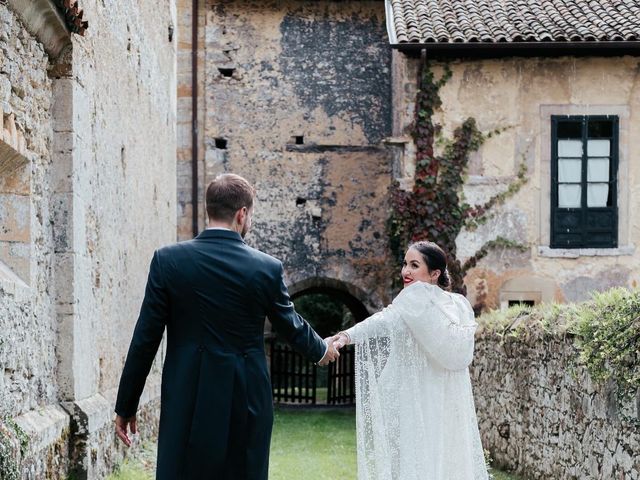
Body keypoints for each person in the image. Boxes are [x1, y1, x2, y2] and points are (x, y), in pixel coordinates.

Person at [114, 173, 339, 479]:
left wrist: (126, 404)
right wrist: (321, 349)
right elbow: (290, 324)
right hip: (245, 394)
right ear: (241, 214)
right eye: (251, 215)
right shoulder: (266, 267)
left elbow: (145, 338)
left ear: (210, 209)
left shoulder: (167, 261)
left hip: (186, 393)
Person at [332, 241, 488, 480]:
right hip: (448, 401)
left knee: (416, 461)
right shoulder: (460, 305)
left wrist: (346, 335)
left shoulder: (414, 298)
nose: (405, 271)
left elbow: (383, 320)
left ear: (434, 273)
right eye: (405, 264)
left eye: (414, 265)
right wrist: (347, 336)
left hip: (419, 398)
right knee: (446, 459)